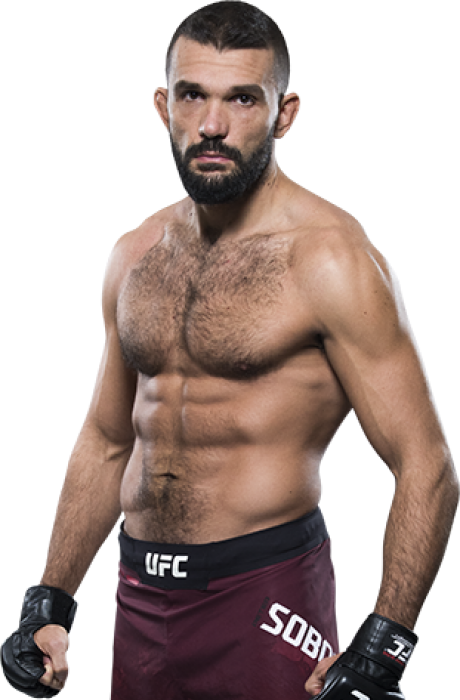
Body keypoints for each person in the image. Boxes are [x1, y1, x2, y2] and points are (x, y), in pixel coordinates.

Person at [1, 1, 458, 698]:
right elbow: (108, 439)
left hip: (266, 595)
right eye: (194, 96)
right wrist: (49, 602)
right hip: (139, 596)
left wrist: (383, 648)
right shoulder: (136, 254)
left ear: (284, 114)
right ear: (164, 107)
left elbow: (426, 464)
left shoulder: (329, 259)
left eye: (243, 99)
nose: (212, 125)